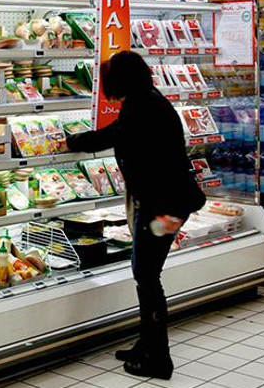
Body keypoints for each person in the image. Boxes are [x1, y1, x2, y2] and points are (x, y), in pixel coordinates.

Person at [65, 51, 205, 380]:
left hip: (163, 209)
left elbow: (112, 135)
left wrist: (71, 141)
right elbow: (119, 133)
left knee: (146, 275)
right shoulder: (149, 99)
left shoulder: (142, 106)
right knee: (146, 271)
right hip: (172, 205)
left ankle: (159, 357)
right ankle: (146, 344)